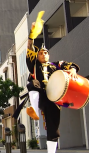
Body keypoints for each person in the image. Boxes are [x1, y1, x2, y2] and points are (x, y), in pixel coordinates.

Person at [24, 20, 79, 153]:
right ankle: (35, 111)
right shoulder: (34, 65)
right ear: (37, 56)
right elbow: (30, 47)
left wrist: (72, 70)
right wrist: (32, 33)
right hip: (39, 93)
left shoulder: (55, 65)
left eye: (45, 53)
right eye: (41, 53)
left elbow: (69, 65)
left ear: (49, 55)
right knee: (33, 84)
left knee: (53, 128)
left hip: (53, 98)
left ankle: (51, 151)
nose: (43, 54)